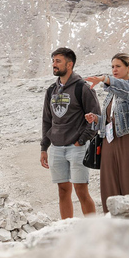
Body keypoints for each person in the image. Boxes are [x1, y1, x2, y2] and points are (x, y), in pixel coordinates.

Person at [41, 47, 100, 219]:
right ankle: (67, 228)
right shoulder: (51, 90)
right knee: (62, 190)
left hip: (77, 148)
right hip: (56, 148)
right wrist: (44, 147)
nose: (54, 64)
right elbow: (47, 120)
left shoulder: (83, 88)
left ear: (69, 64)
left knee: (81, 190)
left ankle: (93, 229)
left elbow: (96, 118)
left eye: (58, 61)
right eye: (53, 61)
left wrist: (82, 140)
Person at [85, 53, 129, 214]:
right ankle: (112, 220)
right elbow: (109, 120)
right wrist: (96, 119)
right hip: (109, 142)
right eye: (112, 67)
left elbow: (126, 91)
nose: (114, 70)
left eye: (118, 66)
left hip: (128, 140)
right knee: (109, 183)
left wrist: (105, 79)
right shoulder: (111, 94)